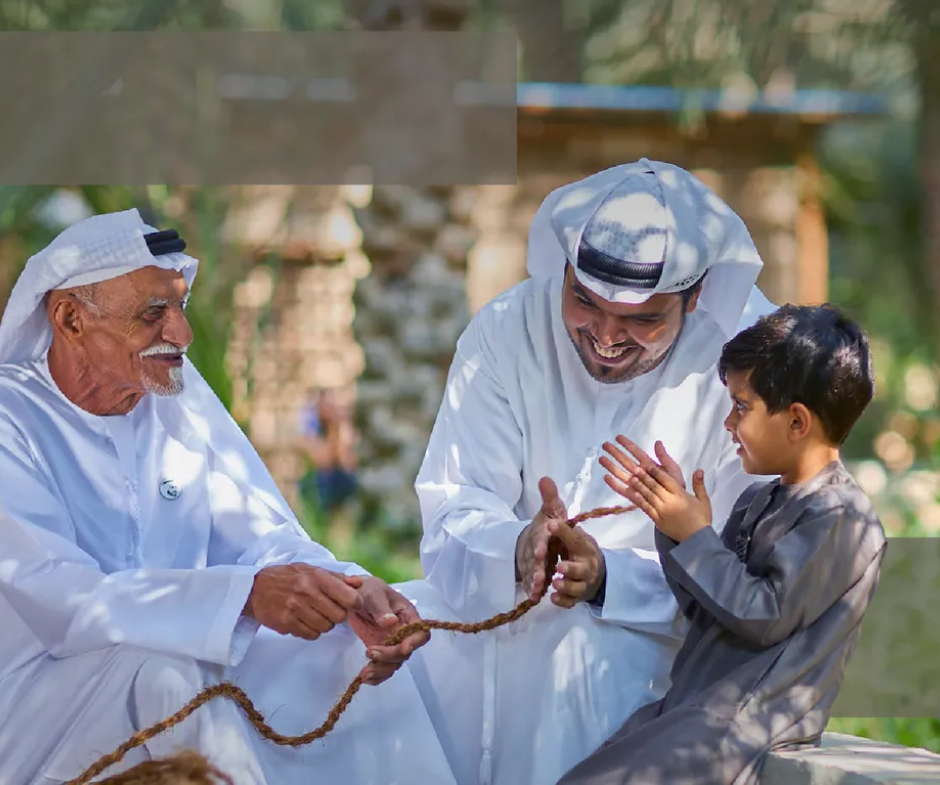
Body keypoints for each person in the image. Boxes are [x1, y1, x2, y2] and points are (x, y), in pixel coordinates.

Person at [0, 210, 456, 785]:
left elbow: (263, 537)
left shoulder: (177, 398)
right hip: (33, 703)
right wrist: (244, 596)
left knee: (344, 653)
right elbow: (66, 601)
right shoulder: (8, 421)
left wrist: (345, 588)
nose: (182, 335)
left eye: (180, 308)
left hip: (179, 664)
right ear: (69, 319)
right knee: (166, 672)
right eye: (153, 314)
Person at [398, 159, 778, 785]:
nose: (604, 336)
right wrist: (518, 546)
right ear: (565, 272)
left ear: (697, 295)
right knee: (366, 640)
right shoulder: (507, 329)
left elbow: (748, 577)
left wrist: (607, 579)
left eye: (641, 319)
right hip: (500, 608)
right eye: (584, 302)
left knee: (574, 650)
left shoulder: (752, 362)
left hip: (661, 641)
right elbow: (454, 506)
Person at [558, 303, 887, 784]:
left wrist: (696, 536)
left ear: (797, 422)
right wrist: (674, 525)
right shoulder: (759, 499)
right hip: (692, 708)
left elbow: (762, 615)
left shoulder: (842, 518)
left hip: (741, 727)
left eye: (741, 407)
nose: (729, 425)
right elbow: (710, 610)